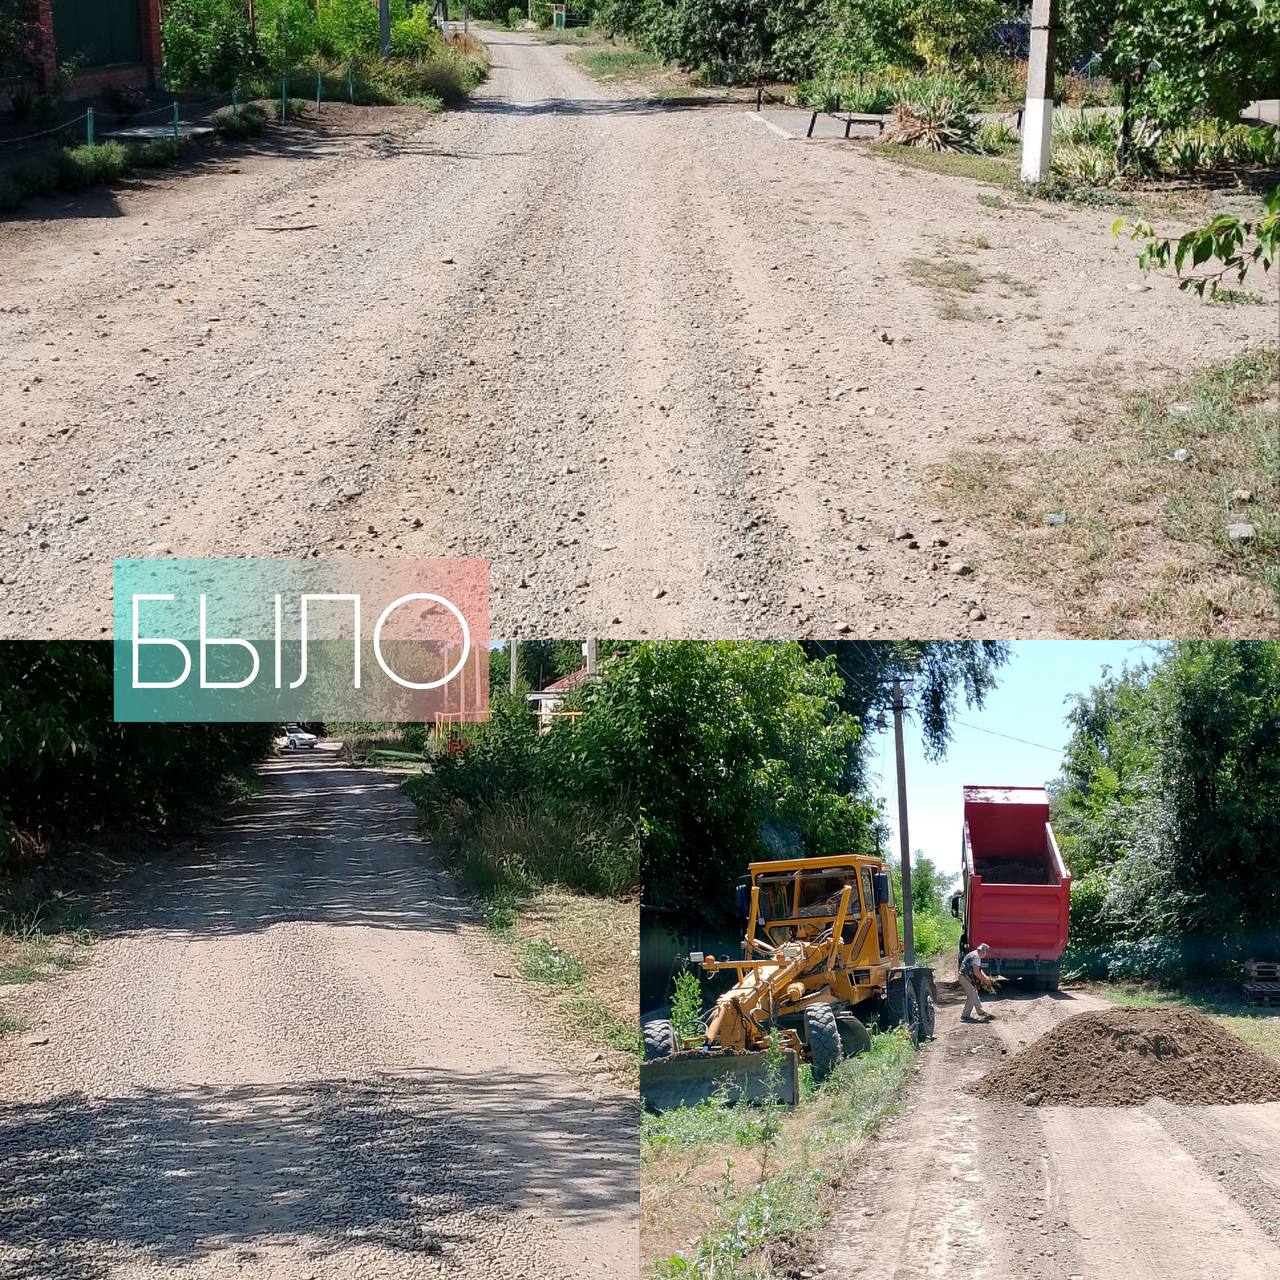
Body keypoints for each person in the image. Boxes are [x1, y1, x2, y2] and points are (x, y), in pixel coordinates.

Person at [958, 942, 995, 1021]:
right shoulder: (977, 957)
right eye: (985, 953)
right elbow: (976, 972)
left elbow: (979, 970)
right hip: (965, 977)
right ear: (983, 952)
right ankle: (965, 1015)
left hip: (963, 977)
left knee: (974, 993)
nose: (985, 955)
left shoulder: (973, 954)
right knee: (971, 995)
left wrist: (986, 977)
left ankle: (980, 1012)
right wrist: (985, 980)